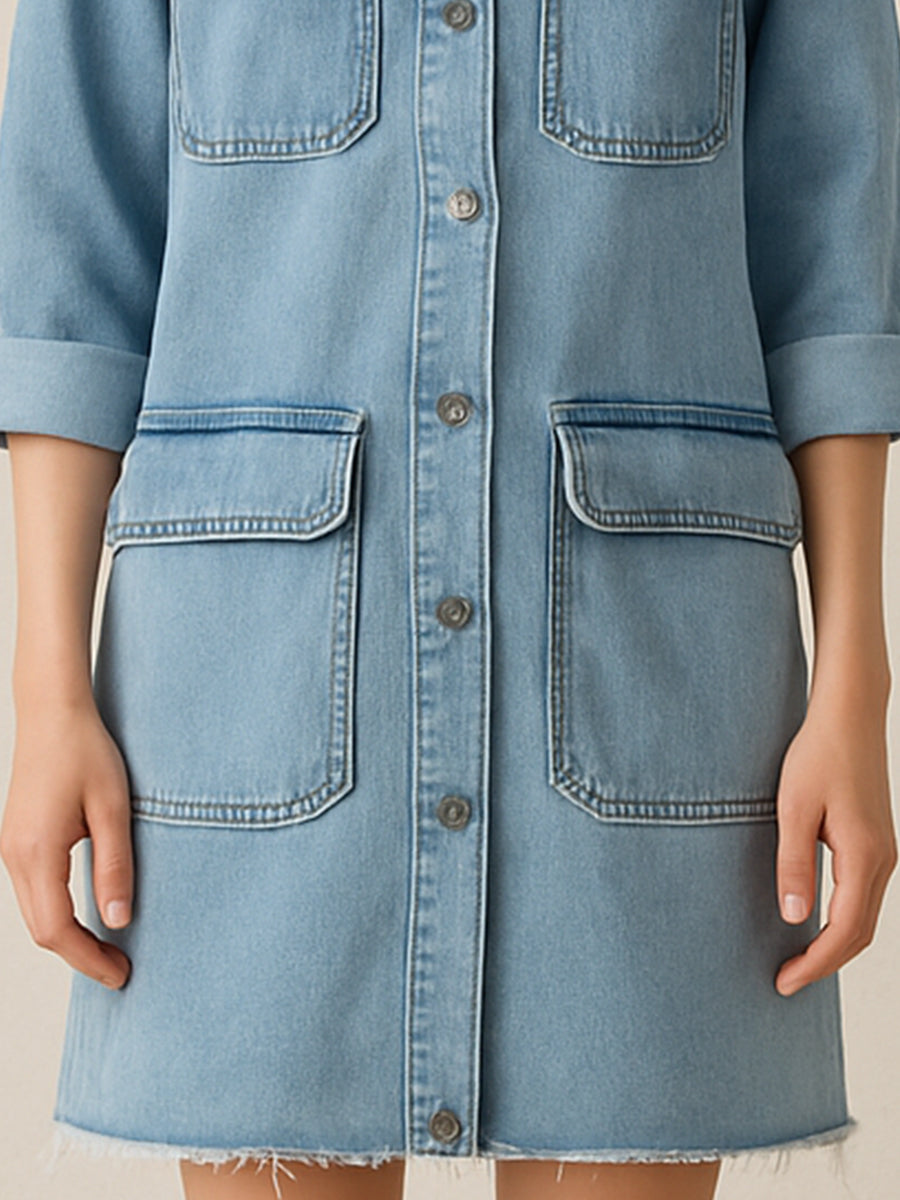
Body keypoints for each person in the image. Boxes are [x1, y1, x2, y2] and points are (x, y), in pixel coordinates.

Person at [0, 3, 899, 1200]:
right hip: (251, 686)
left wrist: (854, 688)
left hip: (651, 686)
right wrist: (48, 693)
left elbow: (833, 281)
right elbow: (70, 283)